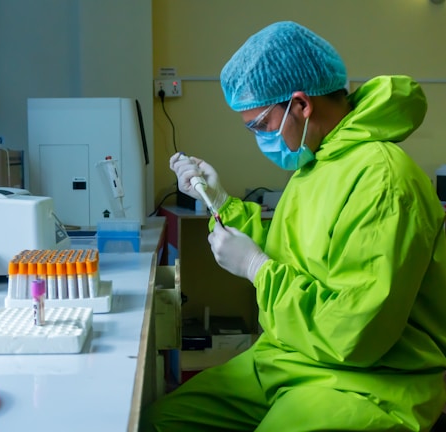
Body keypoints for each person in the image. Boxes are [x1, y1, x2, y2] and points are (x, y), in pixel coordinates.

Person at [141, 21, 446, 431]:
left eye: (260, 125)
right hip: (288, 357)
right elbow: (289, 250)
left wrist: (257, 270)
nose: (259, 137)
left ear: (301, 105)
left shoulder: (382, 179)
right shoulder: (319, 163)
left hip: (364, 381)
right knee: (164, 421)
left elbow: (355, 333)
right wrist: (219, 202)